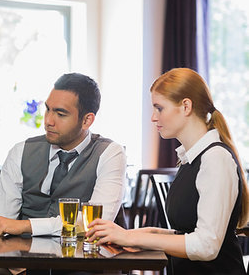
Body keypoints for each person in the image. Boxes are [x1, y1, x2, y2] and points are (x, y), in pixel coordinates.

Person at [86, 68, 249, 275]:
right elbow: (185, 233)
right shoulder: (191, 158)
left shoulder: (215, 158)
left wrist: (131, 238)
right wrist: (134, 235)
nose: (153, 118)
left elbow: (207, 246)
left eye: (159, 108)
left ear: (186, 106)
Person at [0, 73, 126, 236]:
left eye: (60, 114)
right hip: (23, 257)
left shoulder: (110, 153)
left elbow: (96, 224)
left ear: (87, 121)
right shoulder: (21, 151)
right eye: (47, 109)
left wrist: (27, 226)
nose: (48, 121)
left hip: (83, 258)